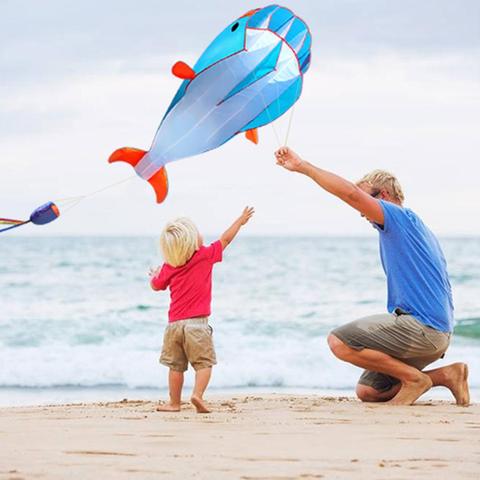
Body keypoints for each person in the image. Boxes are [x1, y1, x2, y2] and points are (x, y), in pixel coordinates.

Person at [275, 146, 469, 406]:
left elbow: (351, 193)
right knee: (369, 391)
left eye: (367, 201)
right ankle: (446, 375)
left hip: (423, 330)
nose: (361, 211)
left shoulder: (398, 217)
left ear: (384, 195)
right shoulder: (416, 230)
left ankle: (415, 380)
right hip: (437, 334)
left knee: (339, 342)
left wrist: (304, 167)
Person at [150, 207, 255, 413]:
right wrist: (240, 221)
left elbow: (156, 286)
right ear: (191, 240)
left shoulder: (170, 265)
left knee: (175, 367)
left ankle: (173, 403)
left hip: (174, 326)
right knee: (204, 364)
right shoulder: (204, 255)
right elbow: (225, 240)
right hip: (197, 324)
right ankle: (197, 395)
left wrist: (154, 274)